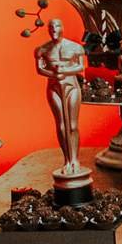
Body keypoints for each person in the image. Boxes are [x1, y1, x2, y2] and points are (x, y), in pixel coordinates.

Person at [35, 18, 88, 177]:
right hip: (54, 88)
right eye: (51, 27)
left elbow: (81, 66)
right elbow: (40, 69)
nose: (54, 29)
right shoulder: (42, 49)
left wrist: (64, 71)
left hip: (71, 87)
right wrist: (53, 74)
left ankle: (75, 160)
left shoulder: (75, 47)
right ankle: (67, 160)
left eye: (57, 26)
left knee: (72, 125)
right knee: (61, 125)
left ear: (62, 27)